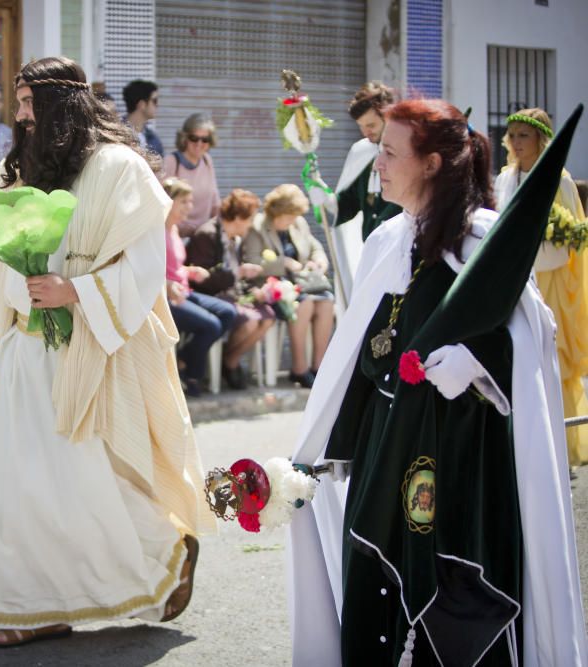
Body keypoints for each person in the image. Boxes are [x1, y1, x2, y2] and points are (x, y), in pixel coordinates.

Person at [289, 99, 587, 665]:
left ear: (430, 164)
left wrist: (476, 361)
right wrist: (324, 449)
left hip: (454, 457)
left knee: (442, 604)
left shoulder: (479, 241)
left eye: (390, 153)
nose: (377, 164)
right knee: (372, 582)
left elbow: (530, 339)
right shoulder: (387, 240)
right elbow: (361, 350)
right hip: (383, 444)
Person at [0, 56, 213, 647]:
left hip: (86, 348)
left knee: (84, 482)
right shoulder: (19, 170)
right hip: (25, 352)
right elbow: (3, 268)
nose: (20, 116)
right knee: (19, 483)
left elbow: (147, 266)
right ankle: (39, 607)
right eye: (18, 103)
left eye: (29, 104)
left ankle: (165, 554)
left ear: (60, 107)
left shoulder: (120, 168)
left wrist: (75, 291)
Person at [494, 108, 588, 467]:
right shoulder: (504, 179)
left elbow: (568, 246)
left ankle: (558, 442)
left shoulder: (559, 181)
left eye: (525, 136)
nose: (517, 143)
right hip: (509, 281)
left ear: (541, 140)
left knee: (550, 358)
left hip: (548, 280)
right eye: (512, 135)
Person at [243, 184, 334, 387]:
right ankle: (299, 368)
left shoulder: (298, 223)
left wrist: (319, 261)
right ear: (278, 211)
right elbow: (253, 261)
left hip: (302, 282)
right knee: (305, 303)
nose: (294, 220)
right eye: (290, 216)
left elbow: (315, 247)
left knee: (327, 302)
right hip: (272, 286)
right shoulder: (257, 226)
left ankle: (318, 366)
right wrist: (282, 262)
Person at [187, 188, 275, 389]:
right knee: (250, 322)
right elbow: (203, 279)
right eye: (250, 219)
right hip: (212, 295)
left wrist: (251, 285)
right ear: (237, 217)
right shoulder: (207, 234)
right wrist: (238, 273)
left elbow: (237, 272)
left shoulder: (235, 238)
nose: (252, 225)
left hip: (235, 294)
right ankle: (231, 364)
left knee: (268, 316)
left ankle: (228, 359)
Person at [163, 177, 237, 396]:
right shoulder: (154, 230)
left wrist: (189, 271)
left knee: (227, 312)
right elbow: (147, 268)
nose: (190, 207)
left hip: (184, 291)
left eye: (190, 201)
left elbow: (174, 266)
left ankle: (184, 360)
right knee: (211, 326)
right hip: (165, 298)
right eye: (184, 201)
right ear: (168, 201)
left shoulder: (174, 230)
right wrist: (166, 285)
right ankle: (190, 373)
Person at [333, 81, 401, 242]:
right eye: (361, 126)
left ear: (388, 117)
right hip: (372, 249)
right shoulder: (363, 153)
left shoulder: (408, 154)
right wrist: (323, 197)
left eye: (371, 125)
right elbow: (349, 205)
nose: (365, 132)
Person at [163, 113, 220, 237]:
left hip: (202, 237)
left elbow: (215, 202)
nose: (199, 143)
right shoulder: (171, 161)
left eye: (205, 139)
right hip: (176, 237)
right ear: (185, 138)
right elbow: (160, 204)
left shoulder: (207, 161)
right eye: (194, 138)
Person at [123, 79, 164, 157]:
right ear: (142, 104)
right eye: (155, 101)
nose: (158, 105)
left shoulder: (153, 139)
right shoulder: (116, 134)